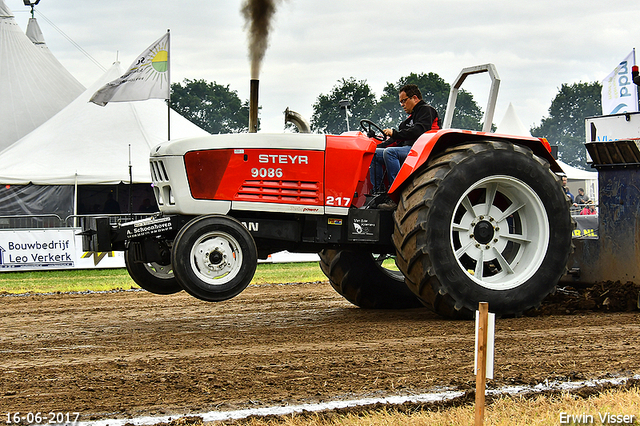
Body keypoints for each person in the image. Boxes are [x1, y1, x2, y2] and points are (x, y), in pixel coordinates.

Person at [370, 84, 439, 197]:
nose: (402, 105)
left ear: (415, 98)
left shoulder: (426, 110)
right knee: (374, 153)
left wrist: (394, 133)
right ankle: (378, 193)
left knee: (390, 152)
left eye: (404, 101)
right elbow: (396, 139)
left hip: (422, 150)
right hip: (407, 150)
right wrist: (376, 147)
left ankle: (397, 194)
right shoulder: (407, 121)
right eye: (400, 102)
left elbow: (420, 130)